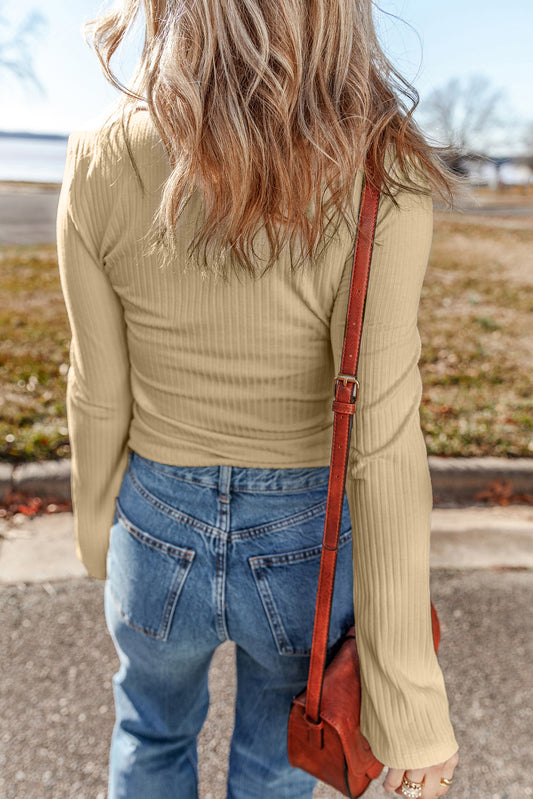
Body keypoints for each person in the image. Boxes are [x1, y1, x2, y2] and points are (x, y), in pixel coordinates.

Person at [56, 1, 460, 797]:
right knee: (274, 767)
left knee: (148, 730)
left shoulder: (99, 155)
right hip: (305, 543)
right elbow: (381, 444)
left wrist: (98, 536)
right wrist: (410, 701)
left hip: (154, 523)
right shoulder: (382, 170)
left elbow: (95, 391)